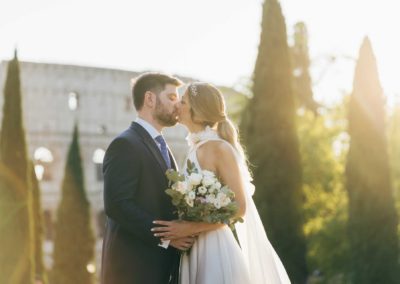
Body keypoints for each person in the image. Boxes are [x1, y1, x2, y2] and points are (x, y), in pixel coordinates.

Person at [152, 82, 291, 284]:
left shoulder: (219, 148)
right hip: (195, 248)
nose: (177, 106)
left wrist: (189, 227)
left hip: (215, 250)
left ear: (197, 111)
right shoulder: (196, 148)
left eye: (183, 102)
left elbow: (239, 208)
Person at [101, 73, 195, 284]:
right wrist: (168, 236)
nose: (177, 105)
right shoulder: (125, 144)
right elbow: (117, 204)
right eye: (171, 98)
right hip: (132, 271)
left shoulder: (162, 145)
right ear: (150, 99)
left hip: (159, 269)